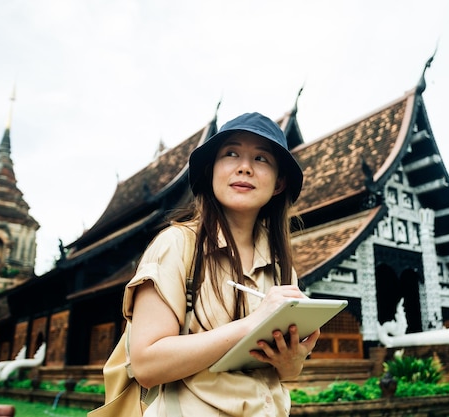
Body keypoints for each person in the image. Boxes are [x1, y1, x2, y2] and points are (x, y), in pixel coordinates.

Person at [125, 112, 318, 416]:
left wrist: (291, 360)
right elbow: (146, 364)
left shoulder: (281, 266)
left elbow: (281, 375)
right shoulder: (177, 245)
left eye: (261, 159)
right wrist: (253, 324)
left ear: (279, 183)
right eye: (231, 153)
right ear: (211, 171)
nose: (245, 167)